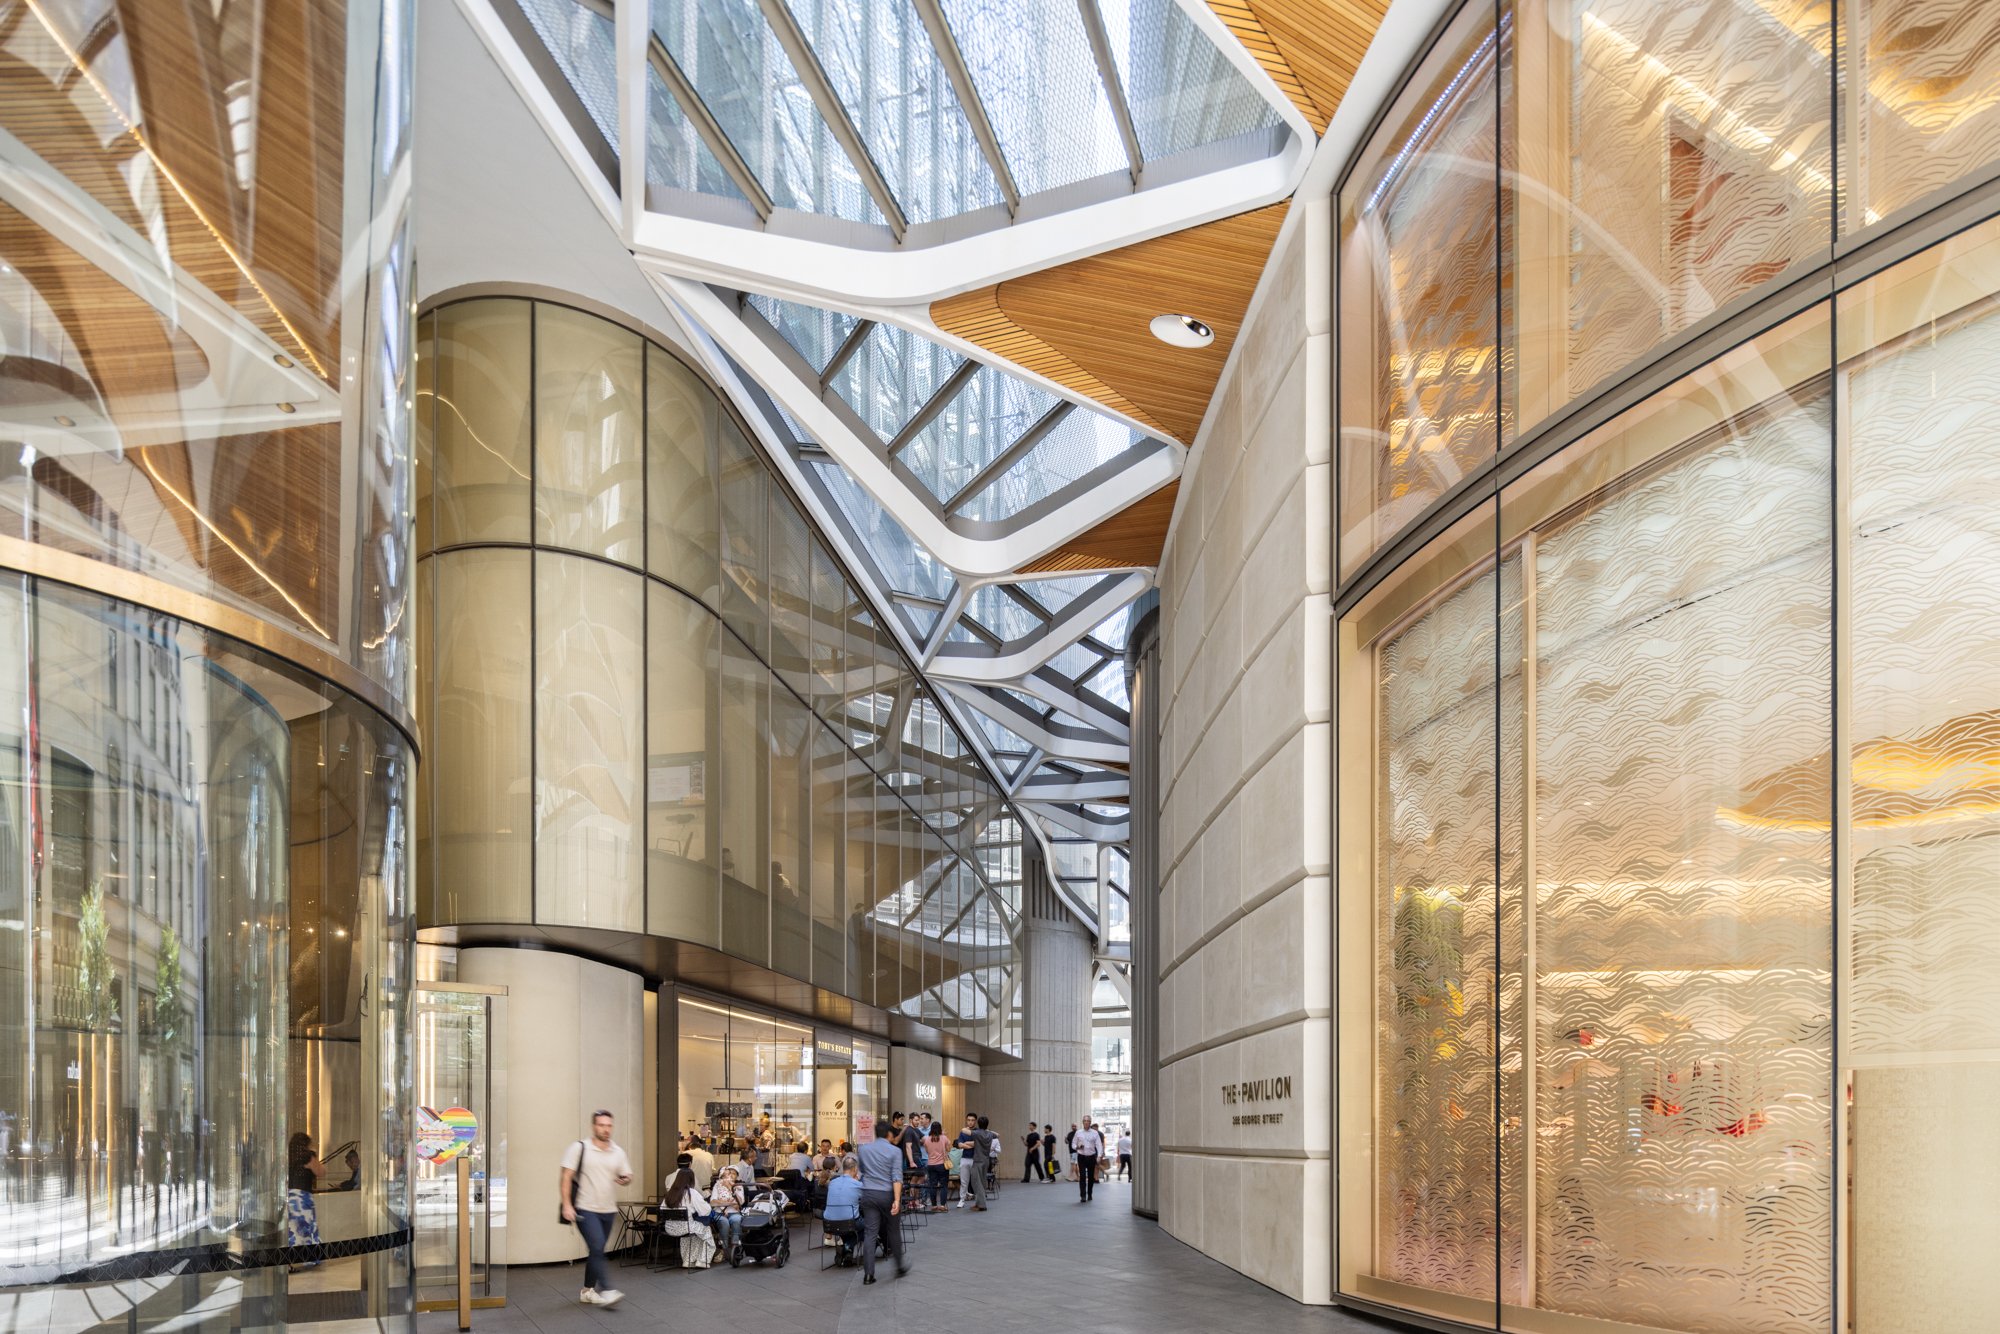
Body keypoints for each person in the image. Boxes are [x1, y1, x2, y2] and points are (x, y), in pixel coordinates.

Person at [560, 1110, 633, 1307]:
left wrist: (625, 1179)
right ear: (594, 1127)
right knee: (597, 1245)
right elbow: (566, 1176)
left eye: (609, 1125)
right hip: (585, 1208)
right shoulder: (579, 1148)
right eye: (601, 1125)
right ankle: (607, 1289)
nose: (605, 1129)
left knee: (597, 1249)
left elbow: (627, 1175)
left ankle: (587, 1291)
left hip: (608, 1210)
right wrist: (567, 1204)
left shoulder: (617, 1152)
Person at [855, 1115, 909, 1284]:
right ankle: (899, 1267)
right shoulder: (895, 1151)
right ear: (889, 1135)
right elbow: (897, 1177)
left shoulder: (863, 1149)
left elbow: (862, 1171)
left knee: (870, 1233)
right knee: (893, 1230)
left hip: (868, 1194)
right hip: (887, 1194)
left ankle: (868, 1274)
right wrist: (897, 1200)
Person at [661, 1167, 716, 1269]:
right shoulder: (691, 1193)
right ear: (691, 1179)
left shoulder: (670, 1193)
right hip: (686, 1228)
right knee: (706, 1231)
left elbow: (662, 1209)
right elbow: (706, 1211)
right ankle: (702, 1260)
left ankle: (688, 1260)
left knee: (695, 1233)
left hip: (669, 1228)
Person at [822, 1156, 863, 1265]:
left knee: (847, 1223)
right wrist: (858, 1181)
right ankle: (847, 1246)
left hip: (828, 1224)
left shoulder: (832, 1183)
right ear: (854, 1169)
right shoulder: (857, 1184)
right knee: (870, 1226)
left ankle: (848, 1252)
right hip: (849, 1222)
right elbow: (866, 1199)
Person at [708, 1165, 748, 1257]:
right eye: (729, 1173)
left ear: (737, 1176)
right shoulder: (717, 1185)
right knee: (724, 1222)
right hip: (720, 1212)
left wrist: (730, 1188)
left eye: (734, 1174)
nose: (731, 1176)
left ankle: (735, 1246)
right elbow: (713, 1202)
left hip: (734, 1213)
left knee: (736, 1220)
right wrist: (729, 1203)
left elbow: (740, 1202)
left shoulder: (738, 1186)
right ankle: (723, 1249)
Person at [1072, 1116, 1104, 1203]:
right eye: (1085, 1121)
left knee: (1090, 1177)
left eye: (1088, 1121)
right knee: (1082, 1176)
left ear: (1090, 1122)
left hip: (1091, 1156)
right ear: (1082, 1122)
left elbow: (1099, 1145)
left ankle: (1089, 1193)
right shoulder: (1078, 1132)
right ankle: (1083, 1195)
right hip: (1081, 1157)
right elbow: (1073, 1144)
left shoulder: (1095, 1133)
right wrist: (1077, 1147)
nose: (1086, 1122)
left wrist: (1099, 1156)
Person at [922, 1121, 951, 1212]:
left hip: (931, 1164)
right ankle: (942, 1206)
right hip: (942, 1164)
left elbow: (927, 1151)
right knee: (943, 1186)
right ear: (940, 1129)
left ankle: (934, 1206)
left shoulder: (927, 1139)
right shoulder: (944, 1138)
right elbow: (948, 1149)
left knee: (932, 1186)